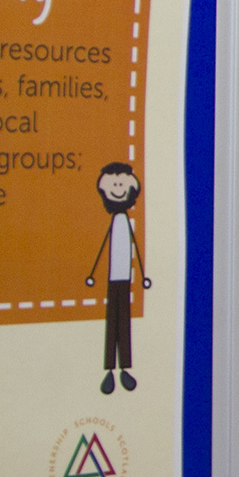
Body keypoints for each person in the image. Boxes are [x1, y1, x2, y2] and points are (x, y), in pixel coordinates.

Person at [82, 161, 148, 396]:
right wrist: (92, 274)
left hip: (126, 278)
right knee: (113, 323)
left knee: (124, 323)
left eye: (122, 182)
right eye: (114, 183)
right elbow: (102, 248)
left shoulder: (127, 222)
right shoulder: (112, 222)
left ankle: (125, 368)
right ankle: (109, 369)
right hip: (112, 279)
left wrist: (141, 275)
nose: (119, 187)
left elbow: (136, 250)